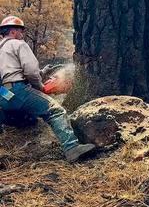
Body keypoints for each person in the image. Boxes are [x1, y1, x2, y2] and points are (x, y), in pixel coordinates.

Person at [0, 15, 95, 162]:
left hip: (4, 95)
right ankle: (72, 148)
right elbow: (30, 71)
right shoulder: (19, 44)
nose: (22, 34)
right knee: (55, 111)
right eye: (21, 31)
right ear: (13, 31)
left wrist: (41, 73)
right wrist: (40, 87)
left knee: (27, 117)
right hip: (18, 90)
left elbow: (11, 73)